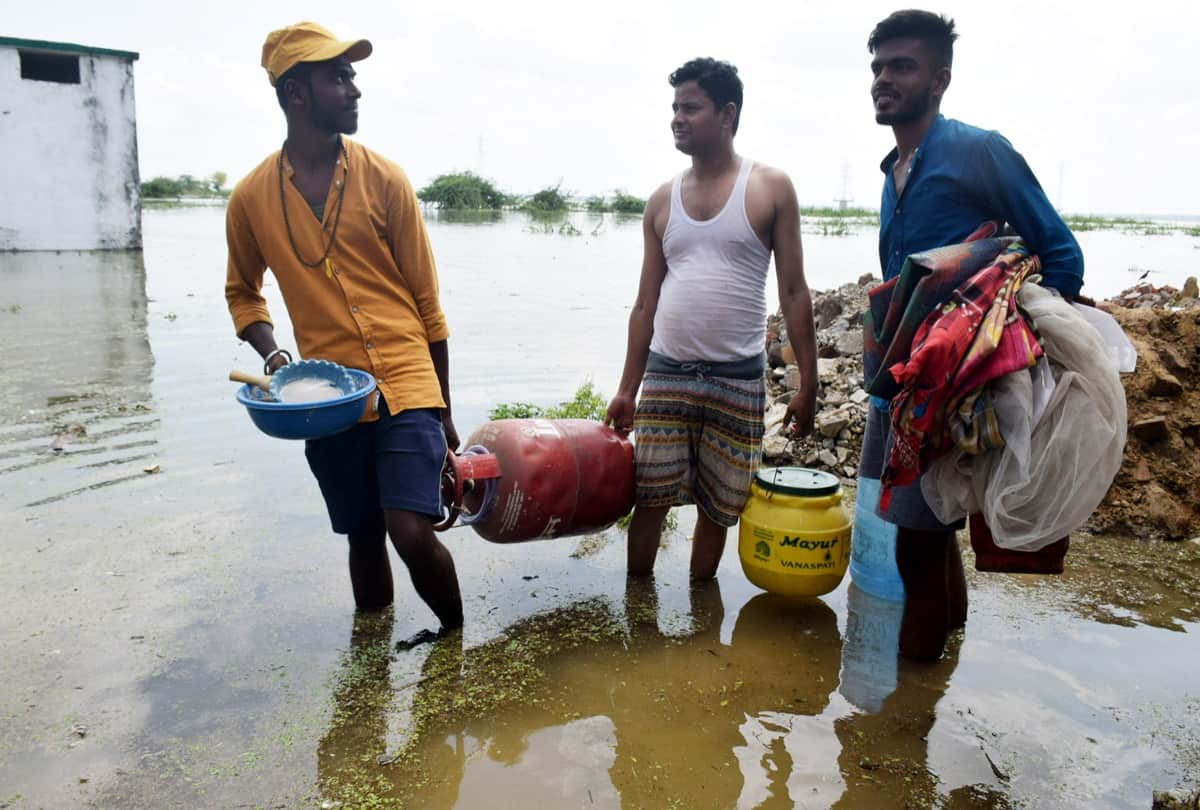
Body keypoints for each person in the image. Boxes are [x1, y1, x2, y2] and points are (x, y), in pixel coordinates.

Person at [224, 22, 463, 638]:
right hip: (328, 400)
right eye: (338, 77)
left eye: (353, 75)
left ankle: (455, 650)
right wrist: (275, 355)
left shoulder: (385, 179)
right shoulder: (251, 199)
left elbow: (428, 304)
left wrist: (442, 407)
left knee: (409, 528)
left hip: (408, 380)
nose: (354, 88)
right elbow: (242, 293)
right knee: (362, 534)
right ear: (295, 94)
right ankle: (370, 672)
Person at [864, 10, 1085, 659]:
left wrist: (1003, 358)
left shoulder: (977, 149)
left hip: (952, 384)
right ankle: (949, 646)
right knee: (932, 530)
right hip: (905, 382)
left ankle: (906, 715)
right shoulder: (892, 170)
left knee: (915, 541)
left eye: (901, 66)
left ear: (940, 79)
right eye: (877, 67)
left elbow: (1062, 256)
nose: (883, 79)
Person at [605, 57, 819, 580]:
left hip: (737, 381)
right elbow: (644, 306)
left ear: (728, 114)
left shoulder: (770, 187)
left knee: (719, 509)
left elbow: (793, 292)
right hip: (666, 375)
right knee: (649, 499)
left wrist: (808, 383)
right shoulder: (661, 201)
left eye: (690, 107)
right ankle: (640, 610)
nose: (677, 118)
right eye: (674, 108)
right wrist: (627, 388)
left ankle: (702, 612)